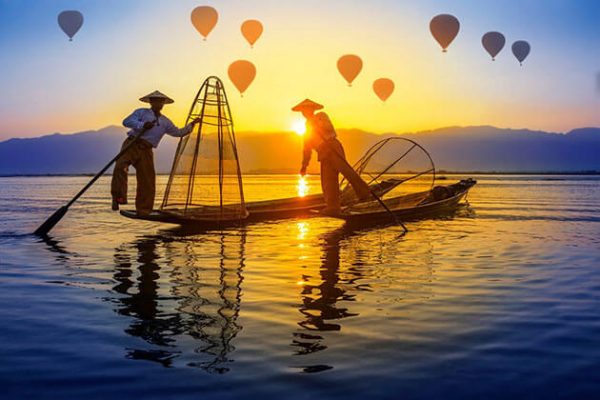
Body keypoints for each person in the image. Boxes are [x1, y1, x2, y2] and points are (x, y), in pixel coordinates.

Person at [111, 90, 200, 215]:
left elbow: (178, 132)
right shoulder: (141, 112)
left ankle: (144, 209)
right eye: (155, 101)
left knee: (147, 180)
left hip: (147, 149)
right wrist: (142, 125)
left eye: (160, 101)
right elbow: (126, 122)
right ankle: (118, 198)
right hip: (132, 144)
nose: (158, 103)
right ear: (151, 102)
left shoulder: (165, 121)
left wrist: (192, 125)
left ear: (163, 104)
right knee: (120, 167)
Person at [292, 99, 371, 215]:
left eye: (307, 110)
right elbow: (307, 148)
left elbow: (329, 128)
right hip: (323, 152)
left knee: (346, 170)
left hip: (332, 146)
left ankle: (364, 194)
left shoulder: (320, 116)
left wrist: (316, 124)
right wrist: (304, 165)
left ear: (312, 110)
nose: (305, 113)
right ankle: (333, 207)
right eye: (303, 111)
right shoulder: (306, 126)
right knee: (328, 180)